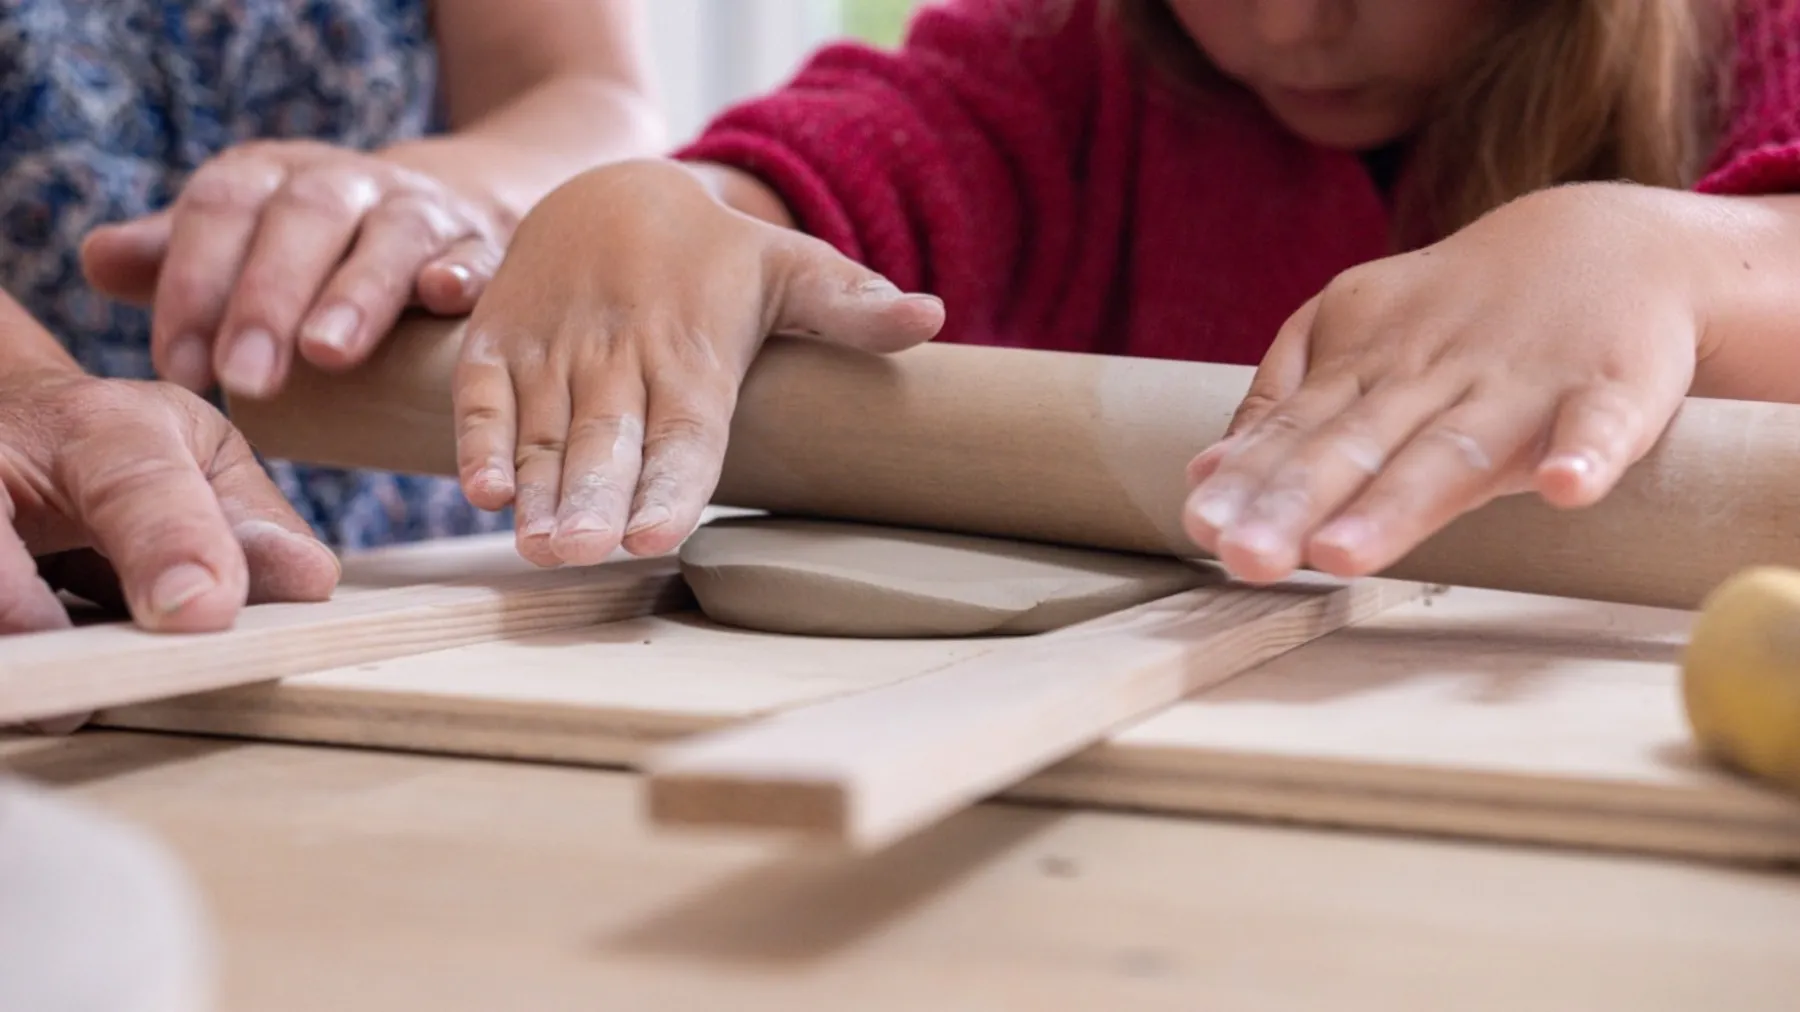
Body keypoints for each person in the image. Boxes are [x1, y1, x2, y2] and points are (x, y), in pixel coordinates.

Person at [456, 0, 1800, 583]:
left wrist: (1680, 258)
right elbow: (845, 169)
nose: (1287, 27)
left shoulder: (1750, 39)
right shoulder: (1075, 61)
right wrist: (681, 210)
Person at [0, 0, 662, 638]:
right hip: (47, 542)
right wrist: (25, 383)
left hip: (451, 556)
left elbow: (590, 95)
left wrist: (444, 193)